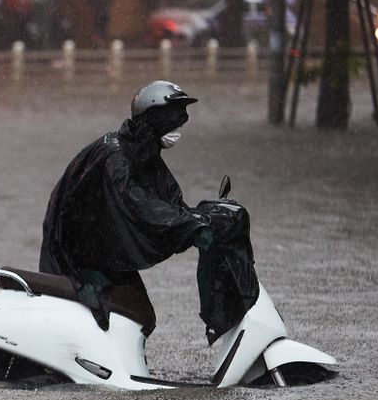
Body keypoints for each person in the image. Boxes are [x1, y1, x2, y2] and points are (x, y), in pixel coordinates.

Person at [39, 80, 258, 345]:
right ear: (154, 119)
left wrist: (206, 216)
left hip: (104, 253)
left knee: (142, 316)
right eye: (172, 121)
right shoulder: (114, 156)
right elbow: (138, 205)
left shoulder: (143, 151)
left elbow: (168, 200)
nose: (178, 129)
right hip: (78, 259)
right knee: (132, 315)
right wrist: (190, 226)